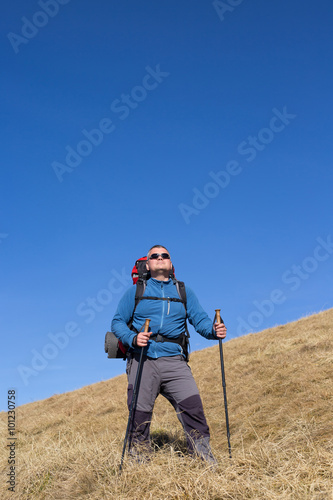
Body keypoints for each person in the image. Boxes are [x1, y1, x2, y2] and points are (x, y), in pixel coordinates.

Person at [111, 245, 227, 463]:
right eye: (154, 256)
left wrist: (214, 331)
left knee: (193, 410)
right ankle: (138, 464)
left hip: (175, 361)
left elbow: (200, 320)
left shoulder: (183, 291)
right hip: (142, 360)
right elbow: (117, 322)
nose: (160, 258)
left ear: (171, 263)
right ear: (147, 264)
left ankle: (204, 461)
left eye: (165, 255)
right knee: (139, 416)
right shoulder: (137, 291)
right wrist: (133, 339)